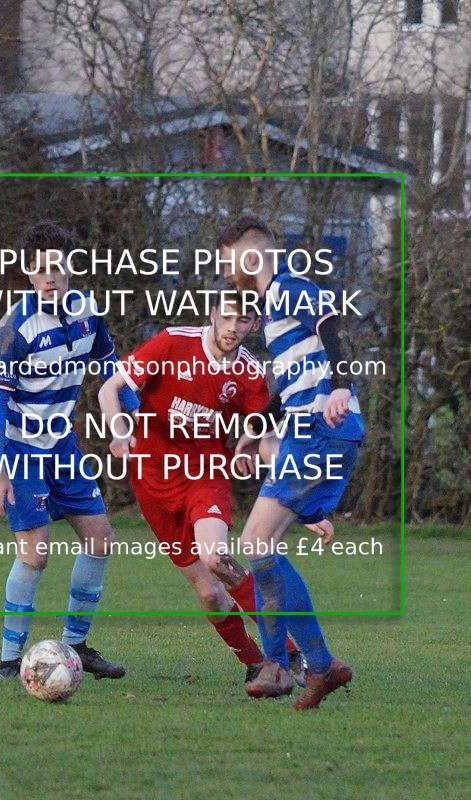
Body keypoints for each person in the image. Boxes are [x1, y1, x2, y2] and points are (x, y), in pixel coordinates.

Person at [98, 283, 319, 690]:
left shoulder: (248, 373)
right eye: (228, 316)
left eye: (244, 320)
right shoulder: (171, 343)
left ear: (255, 324)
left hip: (206, 476)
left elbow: (265, 437)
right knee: (209, 594)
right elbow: (110, 388)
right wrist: (118, 429)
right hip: (152, 483)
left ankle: (288, 651)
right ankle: (256, 663)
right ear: (213, 312)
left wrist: (298, 495)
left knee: (217, 557)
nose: (234, 327)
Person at [217, 213, 365, 709]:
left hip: (321, 429)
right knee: (261, 549)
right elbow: (294, 383)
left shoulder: (286, 287)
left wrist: (342, 386)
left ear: (251, 253)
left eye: (228, 259)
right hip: (317, 430)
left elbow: (331, 323)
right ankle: (289, 666)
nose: (225, 271)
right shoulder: (274, 304)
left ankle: (310, 665)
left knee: (256, 545)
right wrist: (255, 429)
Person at [0, 221, 139, 680]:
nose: (50, 275)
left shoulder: (89, 312)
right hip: (20, 450)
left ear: (71, 266)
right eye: (40, 269)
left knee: (101, 539)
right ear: (29, 274)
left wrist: (131, 419)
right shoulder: (15, 326)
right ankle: (10, 661)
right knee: (35, 555)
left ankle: (76, 649)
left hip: (64, 448)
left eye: (58, 265)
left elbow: (110, 369)